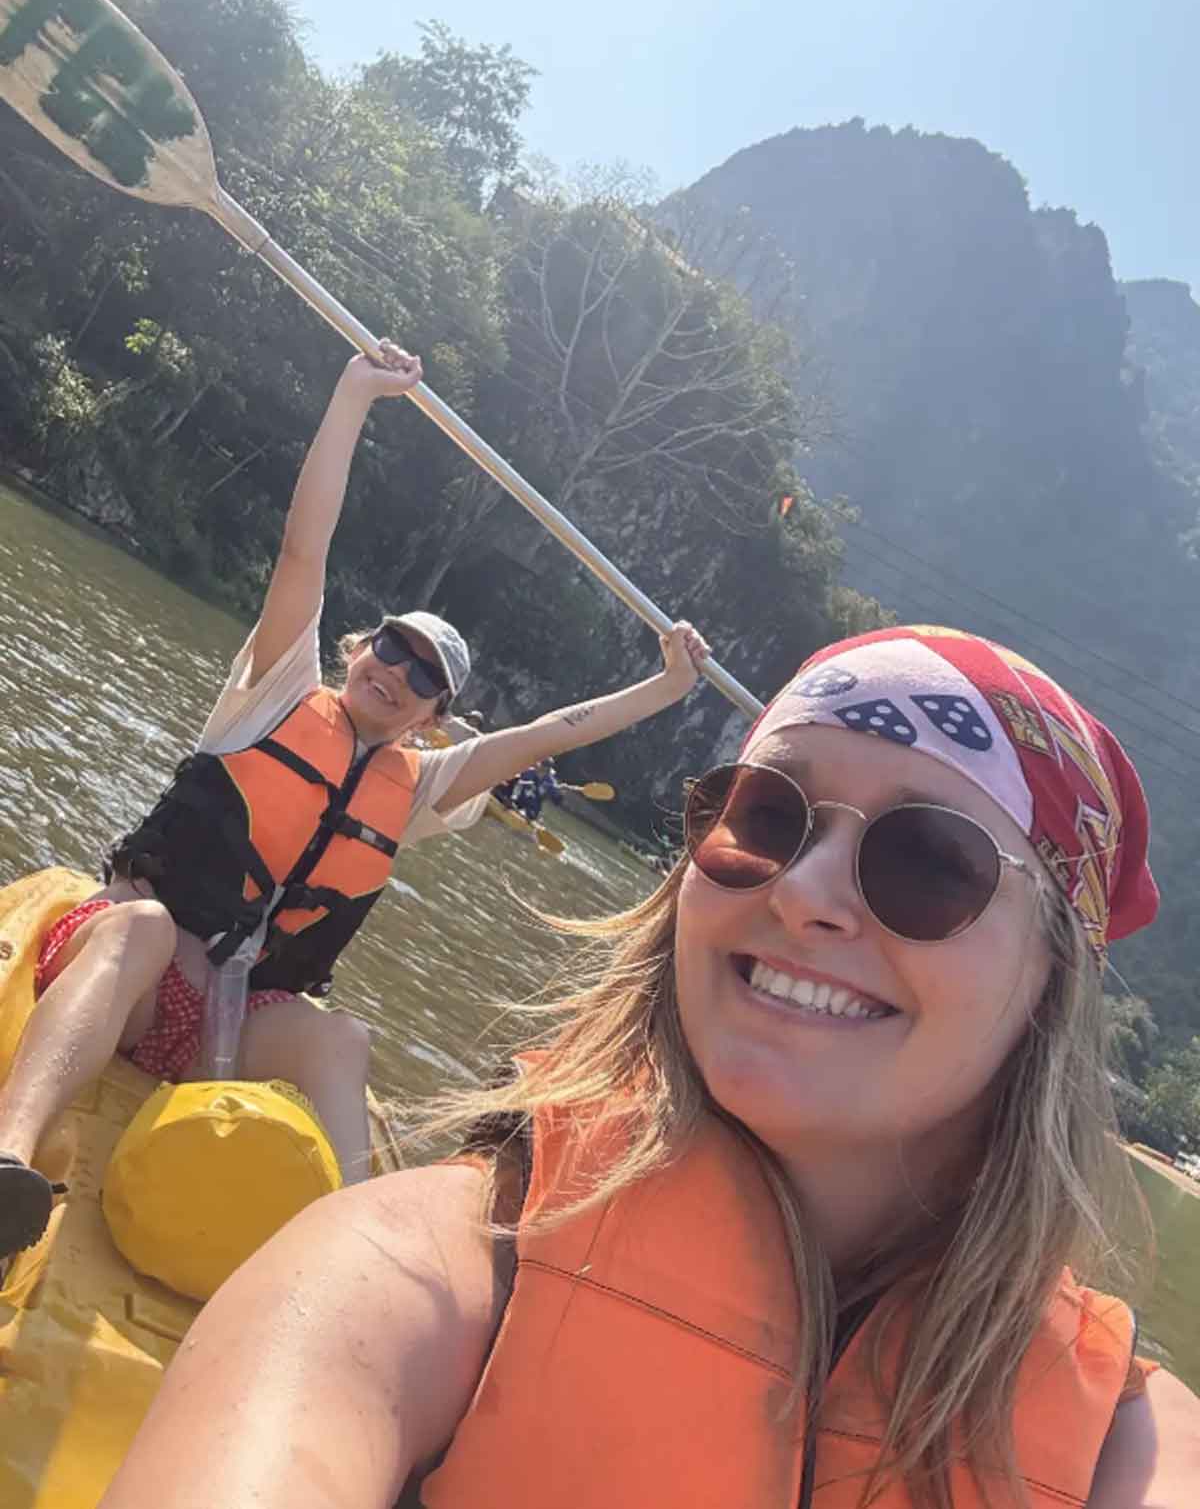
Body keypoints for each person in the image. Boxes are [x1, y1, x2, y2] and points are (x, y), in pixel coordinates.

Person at [96, 625, 1200, 1508]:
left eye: (927, 861)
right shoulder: (420, 1271)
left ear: (1051, 977)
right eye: (765, 817)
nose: (803, 891)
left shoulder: (1135, 1452)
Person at [0, 343, 709, 1253]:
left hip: (225, 1027)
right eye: (392, 649)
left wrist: (667, 686)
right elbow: (306, 548)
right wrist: (353, 395)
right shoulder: (273, 695)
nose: (399, 672)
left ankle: (348, 1255)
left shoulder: (419, 789)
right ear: (358, 650)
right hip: (132, 974)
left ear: (434, 716)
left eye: (425, 677)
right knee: (138, 928)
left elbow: (551, 734)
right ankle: (10, 1160)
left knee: (345, 1040)